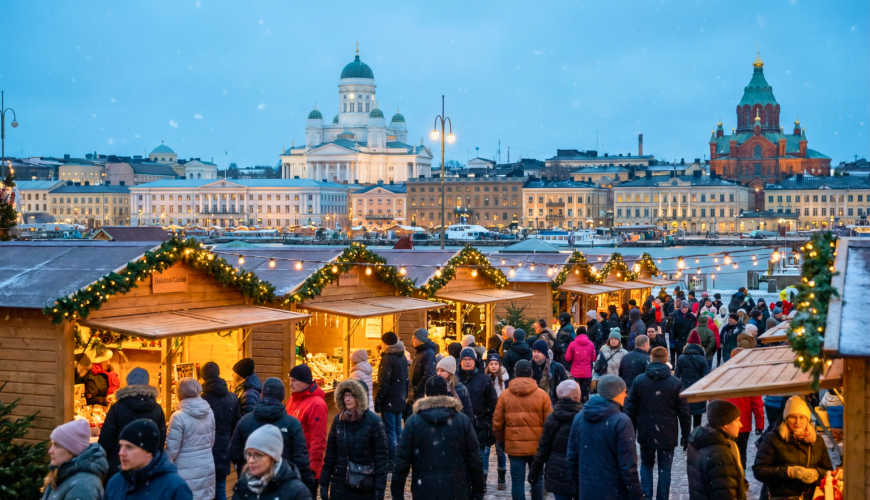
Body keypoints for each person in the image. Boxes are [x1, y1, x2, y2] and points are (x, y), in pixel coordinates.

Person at [391, 376, 485, 500]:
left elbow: (401, 461)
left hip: (424, 490)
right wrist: (478, 491)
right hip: (457, 489)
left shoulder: (413, 422)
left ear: (426, 394)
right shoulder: (462, 420)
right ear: (446, 393)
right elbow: (475, 459)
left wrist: (397, 494)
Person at [228, 377, 316, 495]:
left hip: (252, 487)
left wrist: (248, 466)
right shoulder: (292, 424)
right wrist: (308, 488)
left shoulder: (245, 421)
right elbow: (301, 461)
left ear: (262, 394)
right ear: (283, 396)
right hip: (283, 487)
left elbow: (233, 452)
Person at [624, 347, 690, 500]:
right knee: (665, 469)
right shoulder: (675, 382)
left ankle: (646, 496)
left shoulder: (640, 380)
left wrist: (630, 432)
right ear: (666, 360)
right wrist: (686, 435)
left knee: (646, 466)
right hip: (668, 432)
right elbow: (684, 412)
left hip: (646, 431)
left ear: (651, 359)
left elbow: (630, 408)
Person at [567, 374, 642, 500]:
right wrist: (637, 495)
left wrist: (577, 488)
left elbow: (571, 458)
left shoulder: (579, 417)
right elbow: (628, 466)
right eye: (624, 392)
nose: (626, 395)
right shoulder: (622, 421)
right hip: (615, 492)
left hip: (587, 490)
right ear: (616, 393)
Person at [492, 360, 552, 500]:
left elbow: (497, 422)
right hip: (537, 446)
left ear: (515, 373)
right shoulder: (542, 395)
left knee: (517, 482)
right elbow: (549, 423)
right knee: (537, 480)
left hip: (514, 445)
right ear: (531, 373)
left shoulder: (505, 395)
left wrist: (502, 440)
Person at [320, 379, 389, 500]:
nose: (347, 399)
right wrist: (324, 483)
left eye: (351, 396)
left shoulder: (374, 422)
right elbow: (330, 454)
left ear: (360, 398)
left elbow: (381, 459)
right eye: (345, 395)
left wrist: (379, 490)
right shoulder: (338, 420)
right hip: (340, 484)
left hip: (364, 485)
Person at [753, 396, 834, 500]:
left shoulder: (817, 441)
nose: (797, 422)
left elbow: (828, 471)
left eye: (802, 417)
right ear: (786, 418)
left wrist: (816, 473)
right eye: (792, 417)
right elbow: (759, 471)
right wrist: (789, 472)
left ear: (807, 419)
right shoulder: (772, 438)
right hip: (778, 497)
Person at [98, 367, 167, 481]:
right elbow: (161, 439)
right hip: (147, 465)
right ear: (147, 382)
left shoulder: (117, 407)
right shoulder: (157, 409)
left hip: (120, 463)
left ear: (128, 382)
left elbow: (106, 439)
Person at [103, 418, 193, 500]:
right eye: (121, 446)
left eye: (129, 447)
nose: (121, 453)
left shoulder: (175, 488)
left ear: (148, 451)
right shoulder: (115, 483)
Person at [528, 380, 584, 500]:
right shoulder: (585, 417)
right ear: (578, 395)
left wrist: (534, 472)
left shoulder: (552, 418)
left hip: (557, 471)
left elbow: (543, 448)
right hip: (581, 471)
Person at [165, 377, 215, 500]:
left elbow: (171, 451)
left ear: (180, 394)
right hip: (206, 466)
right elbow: (211, 442)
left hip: (184, 470)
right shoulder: (209, 412)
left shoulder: (178, 417)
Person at [686, 400, 748, 500]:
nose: (740, 425)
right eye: (737, 420)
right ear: (725, 424)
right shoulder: (720, 453)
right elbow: (725, 494)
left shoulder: (698, 442)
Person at [232, 425, 312, 500]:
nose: (251, 460)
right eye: (249, 454)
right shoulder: (243, 484)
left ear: (273, 457)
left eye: (258, 455)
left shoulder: (296, 491)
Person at [457, 347, 498, 487]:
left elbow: (493, 404)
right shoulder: (455, 379)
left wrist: (492, 425)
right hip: (459, 423)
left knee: (480, 455)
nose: (467, 362)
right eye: (465, 359)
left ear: (475, 361)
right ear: (460, 361)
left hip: (480, 423)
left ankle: (482, 482)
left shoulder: (484, 379)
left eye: (470, 359)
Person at [199, 362, 241, 500]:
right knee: (220, 489)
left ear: (203, 377)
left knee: (203, 491)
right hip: (224, 448)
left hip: (204, 448)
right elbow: (236, 426)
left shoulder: (201, 399)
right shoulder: (232, 398)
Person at [42, 418, 108, 500]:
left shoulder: (82, 485)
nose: (50, 451)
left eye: (57, 446)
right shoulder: (62, 474)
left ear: (72, 451)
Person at [286, 364, 328, 482]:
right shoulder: (292, 399)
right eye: (290, 380)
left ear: (305, 382)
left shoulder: (317, 404)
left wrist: (312, 469)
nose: (290, 384)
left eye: (294, 380)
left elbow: (318, 440)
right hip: (292, 463)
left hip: (305, 466)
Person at [373, 331, 407, 470]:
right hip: (399, 398)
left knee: (389, 431)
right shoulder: (402, 356)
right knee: (398, 431)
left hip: (390, 400)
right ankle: (399, 459)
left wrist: (379, 399)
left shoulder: (388, 358)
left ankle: (391, 461)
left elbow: (384, 382)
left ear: (385, 343)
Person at [725, 373, 764, 470]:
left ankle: (729, 475)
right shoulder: (749, 380)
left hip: (725, 424)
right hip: (743, 424)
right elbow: (757, 404)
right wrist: (759, 425)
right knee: (741, 453)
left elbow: (713, 401)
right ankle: (740, 476)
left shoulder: (724, 378)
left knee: (725, 453)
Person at [483, 352, 509, 490]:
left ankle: (502, 477)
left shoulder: (505, 379)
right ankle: (484, 478)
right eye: (491, 364)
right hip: (487, 417)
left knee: (500, 449)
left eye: (496, 364)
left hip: (500, 417)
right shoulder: (483, 378)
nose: (493, 366)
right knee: (486, 450)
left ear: (499, 365)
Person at [674, 332, 710, 432]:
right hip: (698, 391)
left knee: (686, 417)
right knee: (697, 418)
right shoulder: (702, 359)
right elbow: (706, 377)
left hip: (685, 391)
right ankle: (696, 437)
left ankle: (685, 440)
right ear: (699, 345)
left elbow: (676, 376)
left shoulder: (681, 358)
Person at [435, 355, 475, 422]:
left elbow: (468, 414)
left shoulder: (461, 389)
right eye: (438, 370)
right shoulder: (433, 386)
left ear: (450, 373)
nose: (439, 373)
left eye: (442, 371)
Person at [531, 339, 569, 405]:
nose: (536, 354)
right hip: (534, 403)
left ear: (545, 353)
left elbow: (566, 387)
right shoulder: (529, 366)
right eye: (534, 351)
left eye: (539, 352)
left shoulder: (556, 367)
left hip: (553, 404)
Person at [408, 328, 438, 405]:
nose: (412, 340)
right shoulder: (420, 351)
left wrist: (418, 389)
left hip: (420, 396)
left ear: (419, 338)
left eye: (414, 338)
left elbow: (429, 374)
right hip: (416, 395)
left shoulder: (428, 353)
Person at [564, 329, 596, 402]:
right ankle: (584, 409)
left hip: (575, 373)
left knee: (574, 395)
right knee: (585, 395)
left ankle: (575, 410)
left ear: (577, 334)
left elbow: (567, 358)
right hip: (587, 373)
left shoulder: (572, 344)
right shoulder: (591, 344)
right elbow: (593, 358)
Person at [669, 300, 696, 366]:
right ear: (682, 308)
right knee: (674, 352)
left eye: (687, 307)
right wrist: (672, 339)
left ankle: (680, 365)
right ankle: (673, 365)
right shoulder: (675, 314)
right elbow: (672, 327)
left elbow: (693, 327)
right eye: (684, 307)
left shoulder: (691, 316)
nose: (686, 309)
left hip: (686, 337)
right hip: (677, 337)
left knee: (682, 353)